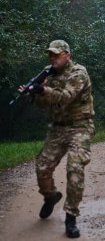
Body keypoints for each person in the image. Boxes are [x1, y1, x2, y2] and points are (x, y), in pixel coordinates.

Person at [18, 40, 95, 238]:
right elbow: (46, 105)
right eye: (50, 55)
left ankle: (71, 217)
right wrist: (33, 93)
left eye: (57, 54)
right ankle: (50, 196)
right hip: (57, 128)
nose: (53, 58)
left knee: (75, 169)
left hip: (80, 126)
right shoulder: (48, 74)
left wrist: (42, 90)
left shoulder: (78, 73)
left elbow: (65, 96)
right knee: (42, 168)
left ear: (67, 55)